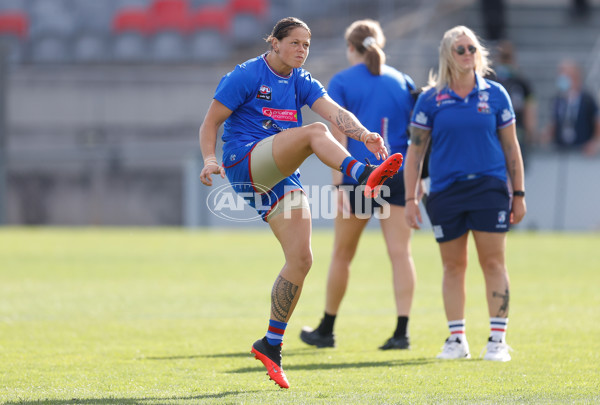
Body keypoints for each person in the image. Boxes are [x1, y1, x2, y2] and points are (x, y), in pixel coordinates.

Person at [199, 17, 403, 389]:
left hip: (279, 173)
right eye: (294, 43)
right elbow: (210, 123)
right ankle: (362, 173)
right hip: (244, 162)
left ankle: (271, 343)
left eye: (306, 45)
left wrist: (365, 134)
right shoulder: (246, 74)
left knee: (302, 259)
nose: (302, 50)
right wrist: (210, 159)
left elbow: (335, 112)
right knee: (315, 133)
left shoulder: (303, 80)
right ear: (274, 43)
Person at [404, 25, 526, 362]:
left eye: (472, 48)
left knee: (493, 262)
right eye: (461, 49)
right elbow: (415, 152)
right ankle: (457, 339)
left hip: (489, 188)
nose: (468, 54)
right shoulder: (430, 99)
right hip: (445, 192)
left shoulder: (496, 94)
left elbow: (511, 147)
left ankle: (497, 340)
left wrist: (519, 193)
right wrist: (411, 199)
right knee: (453, 266)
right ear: (447, 55)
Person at [299, 19, 419, 351]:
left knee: (342, 254)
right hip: (398, 172)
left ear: (350, 48)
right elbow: (415, 135)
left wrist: (338, 184)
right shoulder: (402, 80)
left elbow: (338, 132)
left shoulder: (342, 81)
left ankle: (327, 329)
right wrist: (416, 182)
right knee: (400, 254)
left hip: (360, 175)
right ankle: (402, 332)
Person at [488, 40, 537, 168]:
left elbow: (529, 110)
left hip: (514, 132)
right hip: (497, 133)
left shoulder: (521, 82)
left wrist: (529, 132)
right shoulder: (491, 81)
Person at [542, 58, 600, 156]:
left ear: (574, 75)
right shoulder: (558, 99)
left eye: (563, 73)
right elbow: (553, 122)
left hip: (582, 151)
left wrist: (595, 142)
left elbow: (597, 121)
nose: (560, 76)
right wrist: (546, 136)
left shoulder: (587, 99)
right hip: (561, 150)